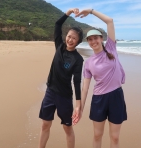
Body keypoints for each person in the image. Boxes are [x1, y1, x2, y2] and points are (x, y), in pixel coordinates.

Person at [73, 9, 127, 148]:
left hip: (116, 96)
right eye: (90, 39)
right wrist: (80, 108)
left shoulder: (111, 48)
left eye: (95, 38)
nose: (93, 41)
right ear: (88, 42)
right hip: (99, 100)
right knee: (97, 135)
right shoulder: (89, 63)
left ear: (101, 38)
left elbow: (109, 21)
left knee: (115, 137)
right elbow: (85, 89)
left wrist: (91, 11)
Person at [38, 8, 83, 148]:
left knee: (67, 128)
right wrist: (68, 12)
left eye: (74, 38)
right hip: (50, 92)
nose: (70, 40)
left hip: (64, 96)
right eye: (69, 36)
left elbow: (76, 82)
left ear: (78, 41)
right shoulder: (59, 46)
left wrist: (78, 105)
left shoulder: (78, 59)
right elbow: (57, 25)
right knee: (45, 124)